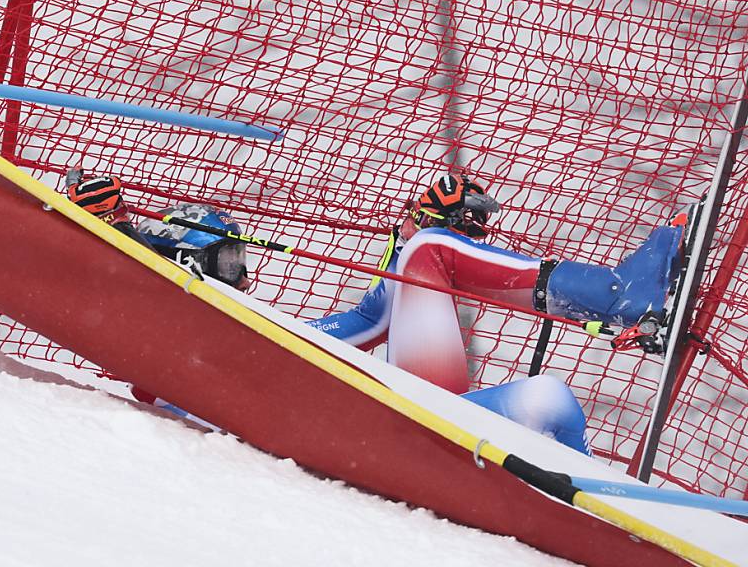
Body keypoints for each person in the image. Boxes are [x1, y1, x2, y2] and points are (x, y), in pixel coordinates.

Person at [66, 172, 686, 454]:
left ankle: (597, 489)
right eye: (223, 262)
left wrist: (408, 242)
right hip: (376, 425)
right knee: (429, 250)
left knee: (552, 398)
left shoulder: (256, 335)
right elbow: (156, 356)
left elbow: (367, 324)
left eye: (238, 260)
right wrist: (117, 238)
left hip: (416, 423)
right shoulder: (187, 355)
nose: (241, 275)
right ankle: (615, 292)